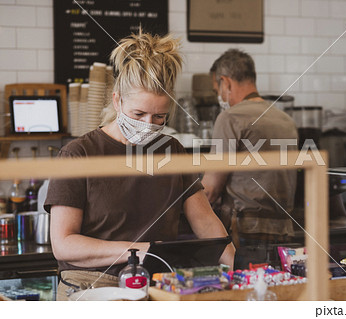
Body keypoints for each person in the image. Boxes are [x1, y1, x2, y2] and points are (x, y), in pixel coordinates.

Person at [44, 31, 235, 300]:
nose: (148, 124)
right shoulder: (79, 154)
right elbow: (63, 245)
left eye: (159, 116)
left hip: (157, 287)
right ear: (117, 100)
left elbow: (205, 222)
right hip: (93, 287)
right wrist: (139, 250)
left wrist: (232, 268)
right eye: (138, 114)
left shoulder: (172, 151)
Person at [201, 49, 298, 267]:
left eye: (217, 89)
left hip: (246, 231)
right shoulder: (285, 120)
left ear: (226, 83)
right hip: (284, 229)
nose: (219, 96)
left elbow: (211, 188)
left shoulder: (230, 118)